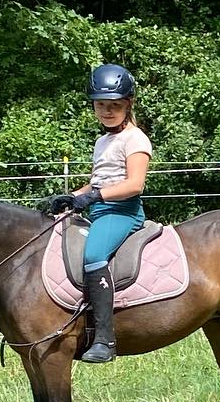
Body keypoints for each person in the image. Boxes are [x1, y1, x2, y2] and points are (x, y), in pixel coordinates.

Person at [42, 64, 152, 363]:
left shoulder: (135, 139)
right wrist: (71, 197)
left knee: (93, 255)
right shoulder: (103, 140)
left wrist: (94, 196)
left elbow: (134, 184)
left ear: (128, 104)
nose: (107, 111)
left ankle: (105, 339)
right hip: (99, 207)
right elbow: (97, 180)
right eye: (101, 105)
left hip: (122, 212)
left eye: (114, 105)